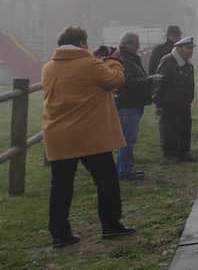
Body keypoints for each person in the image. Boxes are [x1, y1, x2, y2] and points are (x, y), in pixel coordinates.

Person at [41, 27, 136, 248]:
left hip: (58, 137)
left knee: (61, 187)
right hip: (89, 136)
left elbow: (77, 77)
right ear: (82, 42)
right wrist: (112, 60)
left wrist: (94, 59)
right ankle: (111, 225)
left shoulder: (49, 67)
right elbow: (116, 80)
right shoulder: (91, 65)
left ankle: (60, 234)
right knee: (106, 181)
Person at [113, 31, 160, 181]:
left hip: (133, 103)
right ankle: (125, 171)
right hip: (128, 104)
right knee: (128, 139)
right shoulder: (125, 60)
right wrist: (150, 80)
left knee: (126, 138)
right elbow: (129, 82)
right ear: (127, 43)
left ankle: (124, 168)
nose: (138, 45)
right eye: (135, 42)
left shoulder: (131, 58)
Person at [154, 36, 198, 163]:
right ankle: (169, 154)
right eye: (188, 48)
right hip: (170, 102)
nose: (191, 51)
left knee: (185, 128)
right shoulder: (169, 60)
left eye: (191, 48)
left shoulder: (187, 63)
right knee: (170, 129)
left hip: (184, 102)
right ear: (178, 48)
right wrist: (159, 104)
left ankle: (184, 152)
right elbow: (159, 83)